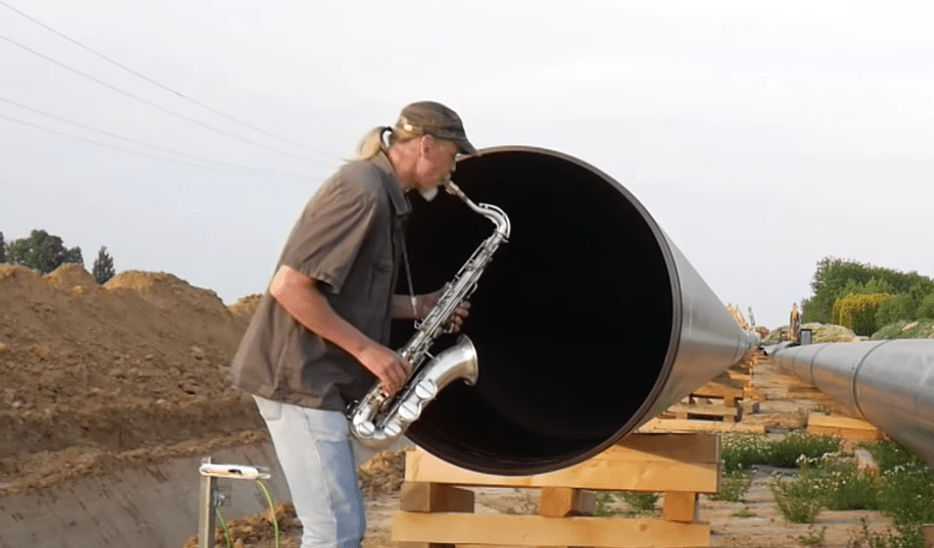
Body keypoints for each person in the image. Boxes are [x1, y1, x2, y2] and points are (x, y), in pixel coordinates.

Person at [228, 101, 476, 548]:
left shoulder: (384, 196)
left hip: (316, 384)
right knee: (335, 533)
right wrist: (369, 350)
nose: (453, 169)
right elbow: (290, 288)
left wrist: (424, 307)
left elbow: (352, 296)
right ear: (426, 146)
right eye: (453, 156)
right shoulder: (361, 191)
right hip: (301, 381)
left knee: (341, 530)